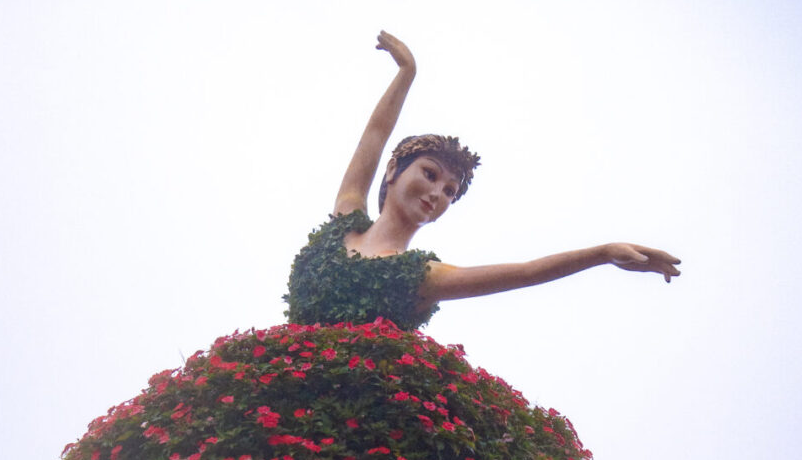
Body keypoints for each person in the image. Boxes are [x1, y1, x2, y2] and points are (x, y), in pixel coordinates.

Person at [286, 30, 679, 332]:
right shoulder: (343, 221)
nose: (437, 193)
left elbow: (527, 271)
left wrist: (604, 253)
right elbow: (374, 135)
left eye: (449, 191)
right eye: (430, 174)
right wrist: (407, 73)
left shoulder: (422, 276)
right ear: (394, 171)